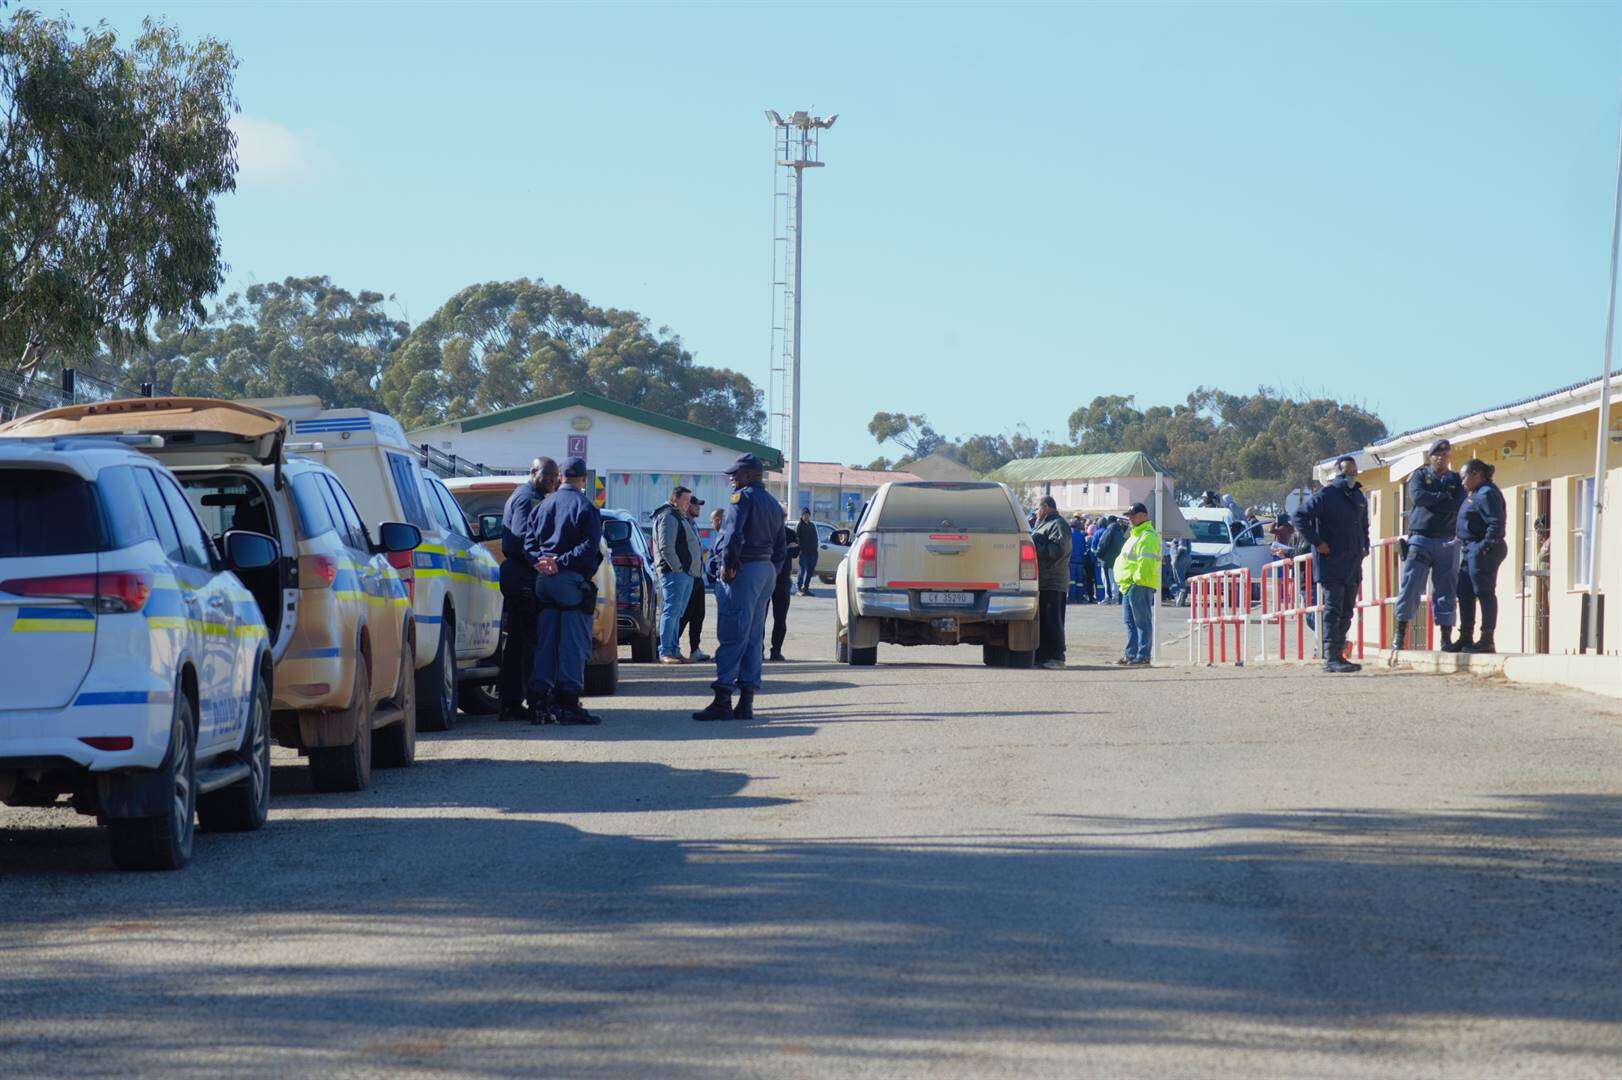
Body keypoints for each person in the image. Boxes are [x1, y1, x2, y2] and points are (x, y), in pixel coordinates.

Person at [694, 454, 786, 722]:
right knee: (754, 636)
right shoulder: (772, 503)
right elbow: (781, 547)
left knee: (734, 632)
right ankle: (746, 702)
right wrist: (771, 571)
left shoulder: (742, 498)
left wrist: (728, 563)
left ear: (749, 475)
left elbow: (733, 533)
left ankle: (723, 698)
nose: (732, 478)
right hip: (765, 569)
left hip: (743, 570)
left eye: (736, 474)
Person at [522, 456, 604, 725]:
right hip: (569, 580)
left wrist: (541, 561)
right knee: (573, 643)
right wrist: (560, 562)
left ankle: (540, 701)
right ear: (583, 479)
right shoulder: (585, 507)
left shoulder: (543, 505)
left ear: (561, 477)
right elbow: (589, 547)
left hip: (543, 581)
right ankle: (569, 703)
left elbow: (529, 541)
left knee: (546, 641)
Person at [1293, 455, 1370, 674]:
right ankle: (1330, 657)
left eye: (1355, 472)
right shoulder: (1327, 495)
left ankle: (1340, 654)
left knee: (1347, 610)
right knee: (1333, 610)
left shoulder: (1358, 496)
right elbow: (1299, 517)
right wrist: (1317, 543)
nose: (1352, 476)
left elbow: (1363, 525)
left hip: (1353, 564)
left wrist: (1366, 545)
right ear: (1338, 472)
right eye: (1347, 472)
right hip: (1332, 563)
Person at [496, 457, 557, 722]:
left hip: (523, 574)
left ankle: (512, 702)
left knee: (521, 644)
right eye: (548, 475)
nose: (553, 481)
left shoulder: (531, 496)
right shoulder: (526, 499)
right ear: (533, 472)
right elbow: (523, 539)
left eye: (556, 476)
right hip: (522, 576)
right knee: (527, 643)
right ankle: (519, 702)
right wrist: (541, 563)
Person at [1392, 438, 1464, 661]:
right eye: (1437, 455)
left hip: (1446, 540)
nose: (1441, 458)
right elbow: (1418, 497)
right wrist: (1442, 497)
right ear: (1430, 456)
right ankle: (1399, 634)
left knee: (1446, 590)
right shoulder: (1420, 476)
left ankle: (1445, 638)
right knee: (1411, 587)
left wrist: (1437, 500)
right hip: (1421, 539)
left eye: (1445, 455)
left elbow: (1457, 503)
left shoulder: (1455, 479)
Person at [1454, 458, 1507, 654]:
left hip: (1481, 549)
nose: (1462, 482)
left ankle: (1487, 639)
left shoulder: (1487, 493)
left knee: (1484, 592)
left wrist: (1483, 547)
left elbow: (1496, 524)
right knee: (1465, 592)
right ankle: (1466, 636)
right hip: (1469, 549)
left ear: (1476, 474)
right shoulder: (1475, 493)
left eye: (1463, 477)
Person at [650, 485, 700, 664]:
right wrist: (678, 568)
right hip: (674, 574)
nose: (688, 504)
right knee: (670, 612)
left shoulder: (678, 516)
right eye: (685, 500)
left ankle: (675, 650)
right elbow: (666, 547)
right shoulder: (668, 517)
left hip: (684, 574)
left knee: (677, 613)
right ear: (674, 499)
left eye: (689, 500)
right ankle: (666, 651)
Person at [1114, 503, 1161, 666]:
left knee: (1142, 621)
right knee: (1130, 622)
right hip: (1129, 585)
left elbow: (1146, 562)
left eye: (1133, 515)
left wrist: (1136, 580)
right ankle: (1131, 654)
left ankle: (1143, 655)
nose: (1130, 518)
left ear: (1144, 515)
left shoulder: (1147, 536)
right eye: (1129, 516)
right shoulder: (1135, 535)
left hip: (1138, 584)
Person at [1029, 497, 1072, 669]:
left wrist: (1035, 546)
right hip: (1042, 580)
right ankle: (1042, 656)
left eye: (1038, 508)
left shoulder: (1058, 524)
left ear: (1046, 507)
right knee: (1044, 621)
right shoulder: (1044, 523)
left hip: (1053, 580)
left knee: (1053, 620)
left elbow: (1058, 550)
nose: (1036, 512)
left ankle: (1057, 656)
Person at [678, 497, 711, 662]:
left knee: (699, 614)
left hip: (698, 577)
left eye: (699, 505)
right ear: (687, 505)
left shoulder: (694, 524)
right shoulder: (682, 523)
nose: (698, 507)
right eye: (695, 504)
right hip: (687, 576)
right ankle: (671, 647)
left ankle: (695, 649)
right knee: (684, 614)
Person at [769, 520, 801, 662]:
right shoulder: (766, 531)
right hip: (766, 579)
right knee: (759, 618)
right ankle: (758, 650)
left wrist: (782, 550)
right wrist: (785, 549)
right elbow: (767, 551)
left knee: (780, 619)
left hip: (782, 581)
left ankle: (776, 651)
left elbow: (795, 553)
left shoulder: (790, 533)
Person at [1096, 516, 1127, 604]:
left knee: (1107, 579)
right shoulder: (1120, 531)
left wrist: (1099, 554)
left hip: (1108, 560)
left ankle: (1109, 597)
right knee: (1115, 579)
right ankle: (1116, 597)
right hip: (1117, 560)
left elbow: (1103, 543)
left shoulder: (1110, 529)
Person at [794, 509, 819, 595]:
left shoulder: (812, 525)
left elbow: (815, 537)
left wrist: (816, 548)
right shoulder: (799, 525)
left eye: (807, 514)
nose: (806, 516)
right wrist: (800, 549)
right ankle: (799, 588)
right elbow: (796, 538)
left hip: (813, 552)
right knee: (802, 570)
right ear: (801, 515)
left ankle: (806, 588)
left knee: (810, 572)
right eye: (804, 514)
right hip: (804, 553)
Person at [1068, 515, 1092, 603]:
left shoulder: (1069, 535)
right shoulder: (1081, 536)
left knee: (1072, 581)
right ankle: (1079, 597)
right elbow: (1084, 549)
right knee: (1079, 581)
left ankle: (1071, 597)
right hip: (1080, 562)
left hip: (1071, 562)